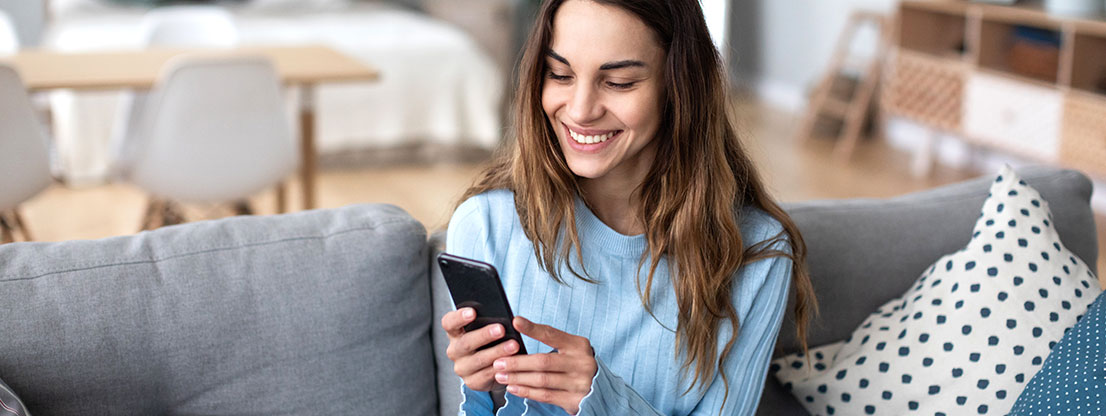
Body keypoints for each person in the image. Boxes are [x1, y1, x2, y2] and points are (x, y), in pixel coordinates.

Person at [440, 0, 817, 414]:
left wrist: (602, 400)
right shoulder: (487, 224)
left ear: (680, 86)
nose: (581, 110)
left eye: (619, 82)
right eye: (560, 74)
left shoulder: (756, 253)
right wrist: (483, 390)